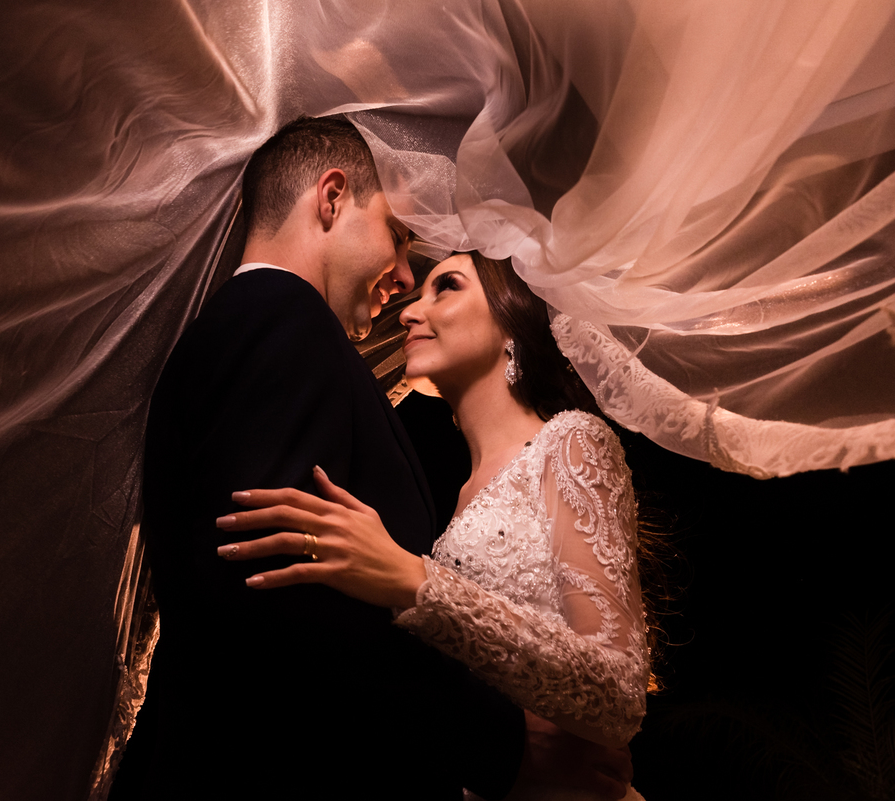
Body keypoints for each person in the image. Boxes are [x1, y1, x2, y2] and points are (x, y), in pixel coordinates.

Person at [110, 117, 632, 800]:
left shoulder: (257, 329)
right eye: (398, 234)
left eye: (444, 282)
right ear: (331, 198)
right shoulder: (283, 323)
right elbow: (282, 599)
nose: (408, 282)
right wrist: (501, 750)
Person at [217, 250, 652, 800]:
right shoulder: (462, 495)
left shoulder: (571, 442)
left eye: (446, 286)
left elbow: (618, 693)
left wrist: (413, 580)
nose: (407, 312)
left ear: (511, 319)